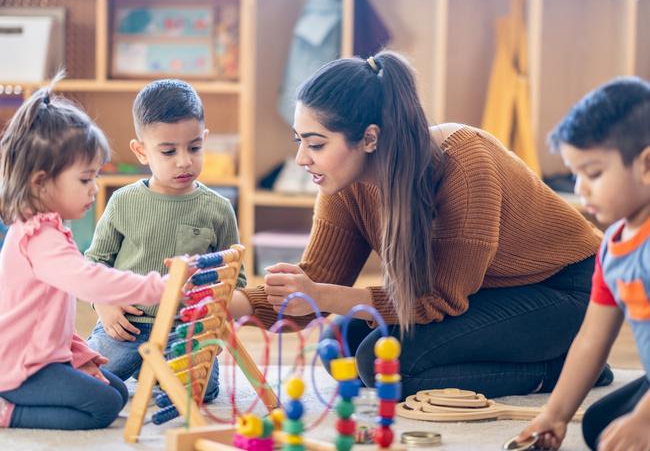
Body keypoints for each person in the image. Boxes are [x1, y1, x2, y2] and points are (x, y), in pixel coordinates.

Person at [229, 50, 611, 398]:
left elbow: (439, 299)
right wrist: (232, 305)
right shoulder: (344, 184)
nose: (300, 159)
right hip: (488, 291)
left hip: (570, 290)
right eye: (299, 141)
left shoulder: (464, 165)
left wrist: (323, 296)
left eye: (315, 144)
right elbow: (315, 281)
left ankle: (566, 369)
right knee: (341, 346)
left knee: (386, 368)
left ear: (369, 138)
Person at [0, 75, 167, 430]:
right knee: (104, 406)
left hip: (43, 356)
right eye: (85, 179)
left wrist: (80, 354)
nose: (94, 189)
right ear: (41, 182)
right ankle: (8, 411)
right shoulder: (39, 238)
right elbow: (91, 283)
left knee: (118, 392)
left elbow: (48, 315)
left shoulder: (48, 228)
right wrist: (158, 288)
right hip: (21, 366)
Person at [86, 79, 245, 403]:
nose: (184, 161)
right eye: (169, 151)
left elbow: (236, 279)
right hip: (126, 325)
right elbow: (93, 263)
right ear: (141, 151)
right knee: (87, 382)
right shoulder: (122, 201)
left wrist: (209, 315)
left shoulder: (219, 208)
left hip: (185, 331)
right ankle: (145, 367)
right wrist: (104, 304)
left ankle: (153, 371)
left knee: (199, 393)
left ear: (205, 140)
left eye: (194, 147)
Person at [516, 77, 650, 450]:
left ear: (647, 165)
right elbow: (592, 339)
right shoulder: (613, 247)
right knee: (600, 426)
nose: (580, 189)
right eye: (575, 174)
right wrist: (555, 413)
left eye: (593, 174)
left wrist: (645, 419)